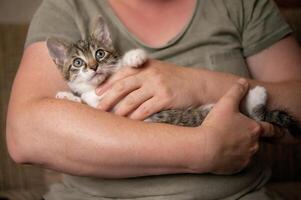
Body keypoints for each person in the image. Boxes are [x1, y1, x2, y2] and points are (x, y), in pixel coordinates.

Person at [6, 0, 301, 199]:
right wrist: (202, 150)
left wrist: (200, 84)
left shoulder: (242, 5)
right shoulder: (66, 7)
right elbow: (26, 135)